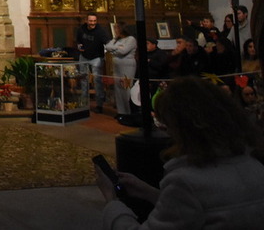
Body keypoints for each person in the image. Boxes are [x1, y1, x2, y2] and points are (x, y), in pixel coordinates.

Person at [95, 76, 264, 229]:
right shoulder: (254, 166)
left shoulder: (186, 182)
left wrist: (112, 202)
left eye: (169, 125)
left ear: (184, 128)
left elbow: (190, 202)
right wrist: (147, 191)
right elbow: (198, 209)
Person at [75, 12, 110, 113]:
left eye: (94, 21)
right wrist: (79, 46)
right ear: (86, 20)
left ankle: (99, 105)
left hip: (96, 58)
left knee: (97, 81)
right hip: (84, 56)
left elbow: (107, 42)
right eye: (90, 21)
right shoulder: (81, 29)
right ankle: (84, 103)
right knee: (83, 80)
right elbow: (78, 40)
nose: (92, 23)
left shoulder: (101, 31)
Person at [105, 23, 137, 119]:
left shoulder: (131, 39)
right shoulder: (116, 39)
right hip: (117, 67)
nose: (115, 31)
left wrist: (114, 50)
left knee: (126, 88)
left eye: (117, 29)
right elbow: (107, 47)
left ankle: (129, 112)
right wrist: (117, 48)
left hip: (127, 66)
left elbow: (124, 51)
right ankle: (121, 112)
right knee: (118, 89)